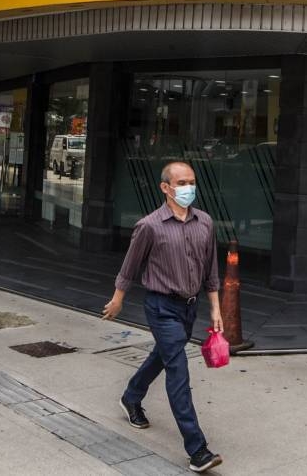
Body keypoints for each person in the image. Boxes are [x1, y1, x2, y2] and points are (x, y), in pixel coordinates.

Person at [102, 160, 224, 474]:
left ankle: (131, 396)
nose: (188, 188)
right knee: (178, 371)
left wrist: (215, 308)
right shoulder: (150, 225)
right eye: (181, 183)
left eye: (191, 182)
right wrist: (118, 298)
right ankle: (197, 450)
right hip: (160, 306)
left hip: (189, 307)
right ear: (165, 187)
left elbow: (210, 269)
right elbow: (130, 266)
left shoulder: (205, 223)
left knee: (163, 356)